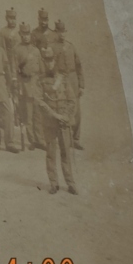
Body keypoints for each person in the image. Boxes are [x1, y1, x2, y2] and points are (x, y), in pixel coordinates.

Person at [35, 41, 77, 194]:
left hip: (64, 122)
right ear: (44, 62)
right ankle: (54, 183)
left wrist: (66, 116)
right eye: (46, 61)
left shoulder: (64, 80)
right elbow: (39, 102)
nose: (49, 64)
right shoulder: (40, 81)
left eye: (51, 60)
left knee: (66, 152)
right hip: (50, 122)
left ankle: (71, 183)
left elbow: (72, 100)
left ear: (55, 61)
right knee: (51, 153)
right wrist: (55, 115)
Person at [48, 20, 84, 148]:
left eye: (64, 31)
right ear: (56, 32)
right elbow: (50, 66)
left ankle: (76, 138)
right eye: (59, 32)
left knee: (76, 109)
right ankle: (63, 138)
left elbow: (79, 65)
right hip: (61, 78)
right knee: (62, 107)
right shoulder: (51, 47)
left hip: (73, 78)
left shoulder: (71, 46)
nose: (62, 34)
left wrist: (81, 85)